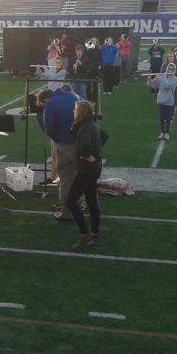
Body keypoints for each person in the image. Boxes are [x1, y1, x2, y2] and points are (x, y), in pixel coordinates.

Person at [67, 100, 105, 251]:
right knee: (91, 201)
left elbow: (85, 144)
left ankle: (84, 234)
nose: (73, 111)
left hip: (86, 170)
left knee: (70, 201)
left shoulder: (84, 128)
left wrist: (87, 155)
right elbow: (104, 137)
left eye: (75, 109)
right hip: (94, 169)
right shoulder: (93, 124)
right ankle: (95, 235)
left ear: (81, 111)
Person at [44, 84, 80, 221]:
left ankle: (66, 212)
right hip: (82, 142)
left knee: (65, 180)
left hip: (66, 144)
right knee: (81, 177)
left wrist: (57, 139)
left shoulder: (52, 103)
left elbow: (49, 128)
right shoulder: (75, 96)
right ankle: (83, 204)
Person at [147, 63, 177, 141]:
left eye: (172, 69)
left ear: (174, 71)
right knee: (161, 118)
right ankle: (162, 132)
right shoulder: (162, 77)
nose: (170, 70)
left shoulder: (175, 79)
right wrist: (149, 80)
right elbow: (153, 86)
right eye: (169, 69)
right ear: (167, 69)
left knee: (168, 118)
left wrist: (160, 78)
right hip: (161, 100)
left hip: (169, 101)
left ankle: (167, 133)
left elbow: (167, 86)